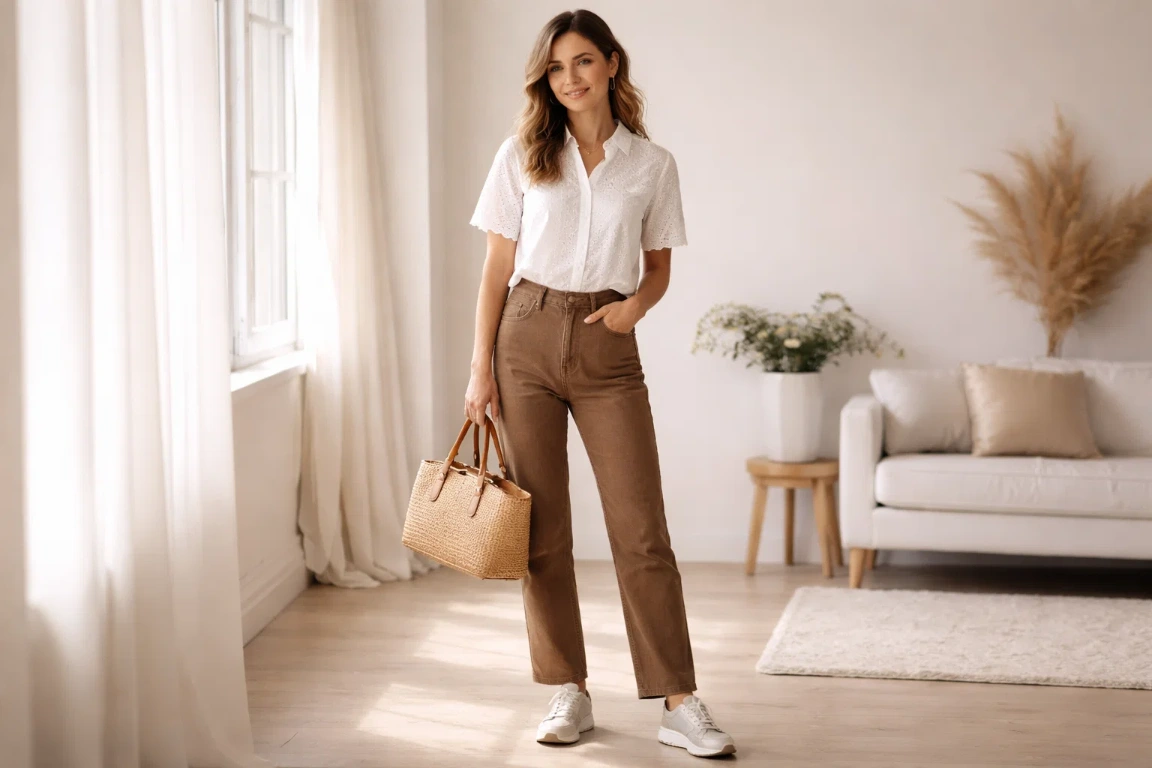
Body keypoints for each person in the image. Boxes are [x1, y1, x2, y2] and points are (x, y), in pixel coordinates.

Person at [463, 8, 736, 759]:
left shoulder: (652, 164)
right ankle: (567, 690)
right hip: (523, 335)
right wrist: (479, 368)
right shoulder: (522, 153)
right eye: (556, 67)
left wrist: (633, 312)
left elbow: (658, 269)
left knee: (640, 530)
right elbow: (495, 268)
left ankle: (679, 701)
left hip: (607, 346)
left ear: (612, 63)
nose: (570, 79)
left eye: (583, 62)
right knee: (542, 530)